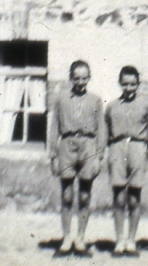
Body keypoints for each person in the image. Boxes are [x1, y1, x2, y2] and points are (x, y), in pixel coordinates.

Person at [48, 60, 106, 257]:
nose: (81, 82)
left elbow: (101, 128)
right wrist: (53, 156)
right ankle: (66, 239)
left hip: (88, 146)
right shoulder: (61, 99)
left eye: (84, 78)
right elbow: (54, 127)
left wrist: (99, 155)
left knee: (84, 195)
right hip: (67, 145)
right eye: (77, 78)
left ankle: (80, 239)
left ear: (89, 78)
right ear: (71, 78)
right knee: (66, 195)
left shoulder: (96, 100)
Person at [104, 66, 148, 257]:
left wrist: (147, 151)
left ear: (138, 84)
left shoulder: (146, 105)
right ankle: (119, 240)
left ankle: (131, 240)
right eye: (125, 83)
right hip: (117, 147)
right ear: (120, 83)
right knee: (119, 197)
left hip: (138, 148)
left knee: (134, 196)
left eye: (133, 84)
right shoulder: (112, 106)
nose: (129, 87)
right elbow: (106, 129)